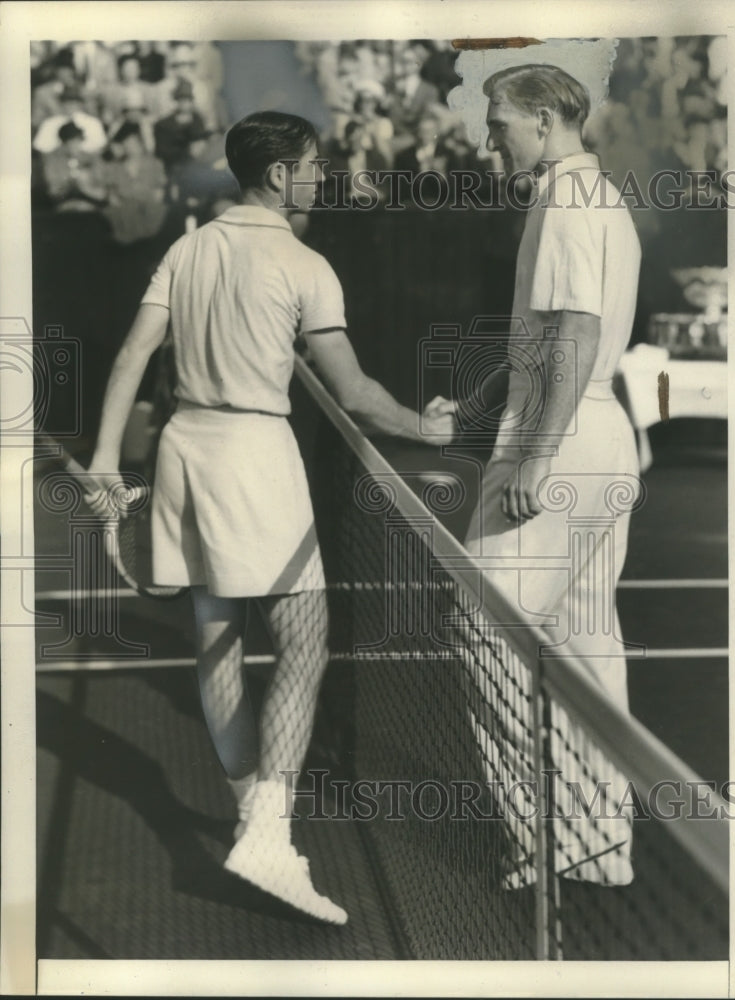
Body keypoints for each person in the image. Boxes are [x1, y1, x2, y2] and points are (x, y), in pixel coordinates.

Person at [85, 110, 454, 924]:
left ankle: (254, 815)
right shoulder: (304, 262)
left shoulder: (187, 248)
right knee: (304, 640)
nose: (322, 179)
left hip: (184, 448)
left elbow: (129, 358)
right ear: (283, 175)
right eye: (316, 167)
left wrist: (109, 462)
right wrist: (430, 427)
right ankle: (269, 833)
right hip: (255, 458)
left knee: (216, 636)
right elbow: (356, 394)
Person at [438, 64, 642, 886]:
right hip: (604, 438)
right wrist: (479, 402)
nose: (489, 138)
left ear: (548, 120)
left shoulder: (562, 196)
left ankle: (550, 830)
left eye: (499, 122)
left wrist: (536, 453)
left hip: (559, 440)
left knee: (481, 623)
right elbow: (549, 333)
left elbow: (577, 334)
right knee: (585, 641)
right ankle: (599, 844)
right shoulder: (598, 197)